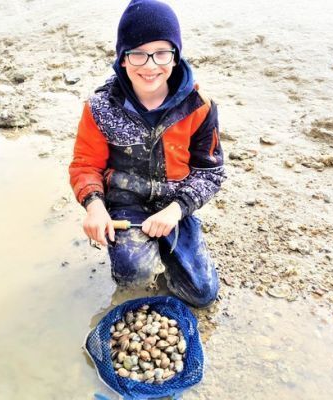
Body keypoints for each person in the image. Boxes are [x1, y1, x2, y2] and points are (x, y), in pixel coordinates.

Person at [69, 0, 225, 308]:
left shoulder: (200, 105)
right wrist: (94, 205)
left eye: (161, 53)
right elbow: (85, 165)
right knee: (134, 274)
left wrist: (177, 210)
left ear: (175, 56)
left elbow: (210, 172)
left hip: (175, 202)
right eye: (138, 53)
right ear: (123, 59)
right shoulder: (100, 107)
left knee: (202, 293)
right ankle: (137, 256)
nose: (150, 65)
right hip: (126, 204)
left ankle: (179, 241)